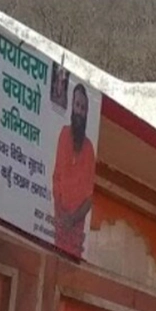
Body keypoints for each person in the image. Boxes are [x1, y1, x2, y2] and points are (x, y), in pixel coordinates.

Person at [53, 84, 96, 256]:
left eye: (83, 108)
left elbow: (89, 198)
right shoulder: (63, 135)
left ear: (86, 113)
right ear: (72, 107)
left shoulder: (89, 149)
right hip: (59, 225)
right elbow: (56, 178)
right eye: (77, 105)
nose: (79, 111)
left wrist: (73, 218)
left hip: (76, 234)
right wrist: (62, 214)